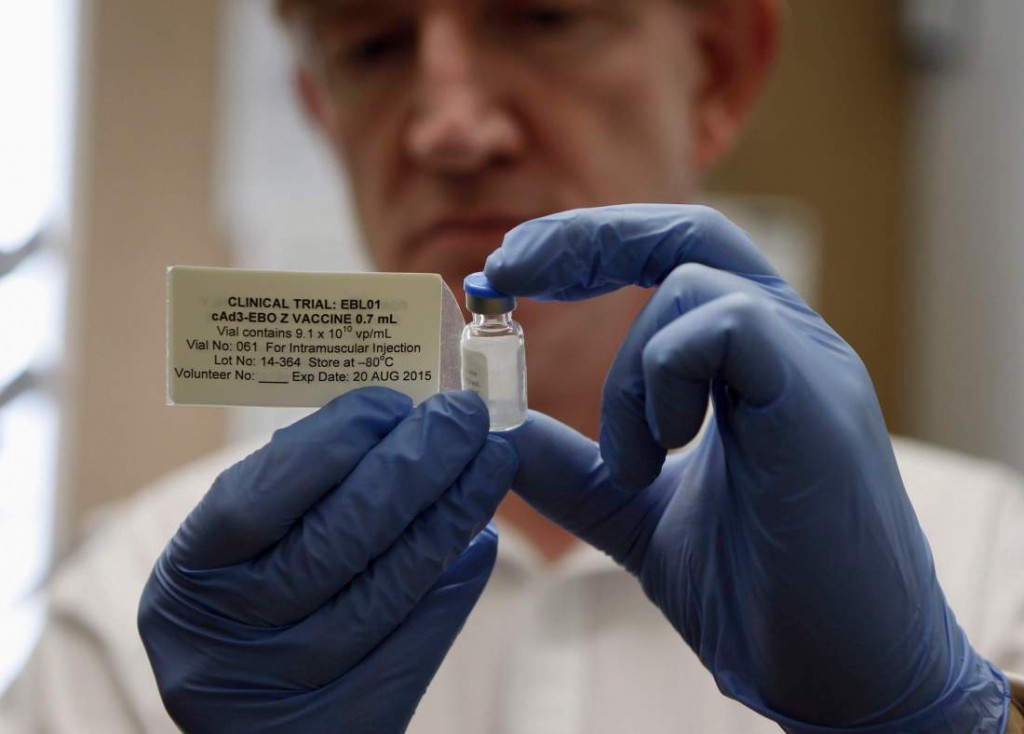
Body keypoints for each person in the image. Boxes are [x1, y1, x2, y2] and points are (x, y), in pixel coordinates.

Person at [4, 0, 1024, 731]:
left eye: (541, 18)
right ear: (322, 109)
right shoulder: (146, 614)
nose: (448, 128)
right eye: (373, 44)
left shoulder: (988, 571)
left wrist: (941, 721)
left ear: (717, 70)